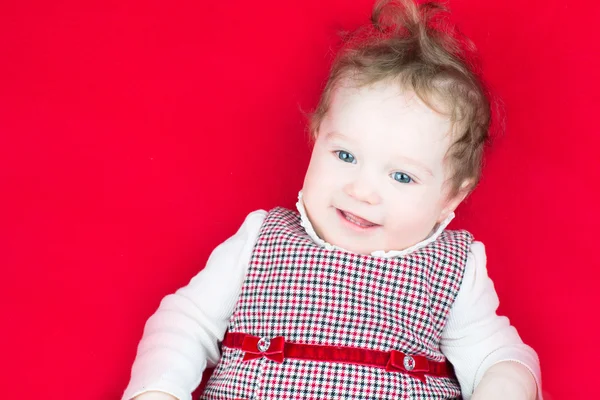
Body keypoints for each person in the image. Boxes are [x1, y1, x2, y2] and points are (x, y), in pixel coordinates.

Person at [121, 0, 541, 398]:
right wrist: (158, 390)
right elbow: (186, 321)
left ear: (452, 196)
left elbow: (496, 354)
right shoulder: (262, 237)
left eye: (401, 176)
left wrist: (502, 382)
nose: (361, 191)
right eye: (344, 155)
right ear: (315, 137)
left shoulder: (453, 266)